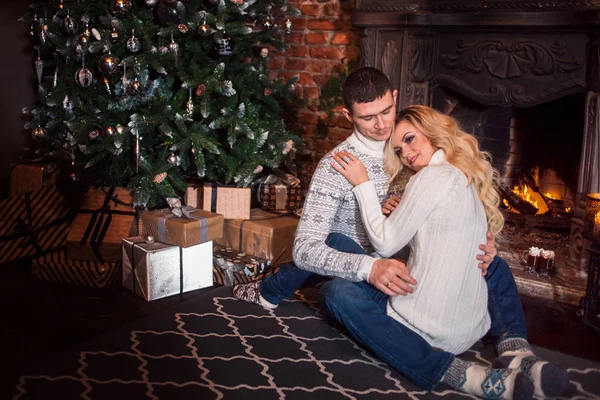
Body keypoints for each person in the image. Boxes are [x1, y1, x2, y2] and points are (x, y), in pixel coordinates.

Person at [233, 67, 566, 398]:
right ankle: (448, 370)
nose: (381, 125)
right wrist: (371, 267)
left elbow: (444, 215)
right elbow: (306, 250)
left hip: (416, 265)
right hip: (365, 266)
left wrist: (477, 242)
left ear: (395, 98)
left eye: (386, 112)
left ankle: (515, 351)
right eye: (367, 118)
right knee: (337, 294)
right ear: (348, 114)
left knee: (494, 265)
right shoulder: (336, 165)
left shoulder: (415, 143)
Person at [323, 105, 566, 399]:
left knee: (335, 293)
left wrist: (362, 183)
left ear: (431, 133)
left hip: (418, 326)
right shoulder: (461, 176)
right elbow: (435, 245)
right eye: (398, 150)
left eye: (410, 140)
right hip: (468, 331)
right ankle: (517, 352)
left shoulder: (429, 177)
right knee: (495, 265)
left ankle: (458, 374)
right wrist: (396, 215)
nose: (406, 154)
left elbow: (385, 246)